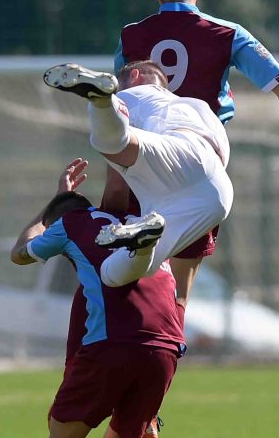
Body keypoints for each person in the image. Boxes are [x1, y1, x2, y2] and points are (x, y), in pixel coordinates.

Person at [114, 0, 279, 309]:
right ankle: (168, 339)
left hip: (142, 160)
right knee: (178, 294)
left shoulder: (131, 36)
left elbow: (119, 105)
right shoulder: (227, 33)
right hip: (195, 167)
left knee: (126, 281)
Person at [10, 178, 186, 438]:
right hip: (167, 348)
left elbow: (19, 252)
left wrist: (50, 205)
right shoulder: (140, 224)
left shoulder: (71, 224)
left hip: (110, 347)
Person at [43, 59, 234, 290]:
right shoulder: (196, 107)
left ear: (135, 76)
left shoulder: (134, 95)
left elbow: (116, 187)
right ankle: (143, 241)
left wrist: (100, 222)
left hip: (186, 164)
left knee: (112, 144)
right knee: (120, 271)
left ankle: (102, 101)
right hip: (216, 189)